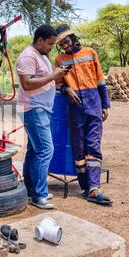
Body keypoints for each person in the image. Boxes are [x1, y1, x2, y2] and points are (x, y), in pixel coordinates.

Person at [54, 24, 113, 206]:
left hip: (94, 105)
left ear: (72, 37)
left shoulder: (90, 52)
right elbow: (57, 83)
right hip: (75, 109)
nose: (65, 45)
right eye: (61, 43)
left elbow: (100, 80)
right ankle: (85, 187)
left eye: (66, 40)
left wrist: (105, 105)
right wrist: (66, 89)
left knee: (93, 146)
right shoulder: (59, 60)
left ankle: (94, 187)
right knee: (78, 149)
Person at [16, 25, 70, 209]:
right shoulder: (28, 56)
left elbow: (43, 79)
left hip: (41, 109)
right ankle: (39, 195)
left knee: (35, 150)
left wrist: (57, 75)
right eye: (49, 44)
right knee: (46, 150)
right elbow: (27, 84)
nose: (51, 47)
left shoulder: (41, 56)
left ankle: (31, 190)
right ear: (39, 40)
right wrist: (54, 76)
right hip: (33, 108)